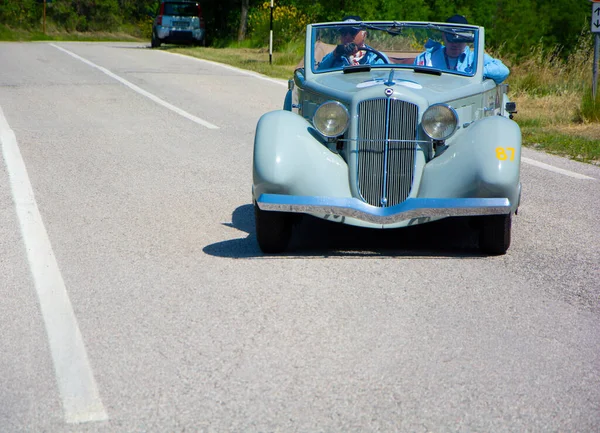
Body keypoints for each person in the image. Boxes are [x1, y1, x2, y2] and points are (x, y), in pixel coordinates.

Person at [414, 14, 509, 84]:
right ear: (444, 36)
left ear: (467, 39)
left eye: (460, 39)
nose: (455, 44)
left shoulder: (473, 58)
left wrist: (477, 71)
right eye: (451, 38)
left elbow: (503, 71)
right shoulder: (428, 58)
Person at [318, 16, 389, 70]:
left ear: (364, 35)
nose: (347, 37)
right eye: (344, 32)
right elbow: (319, 74)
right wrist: (335, 53)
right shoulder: (334, 58)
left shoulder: (376, 58)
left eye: (353, 32)